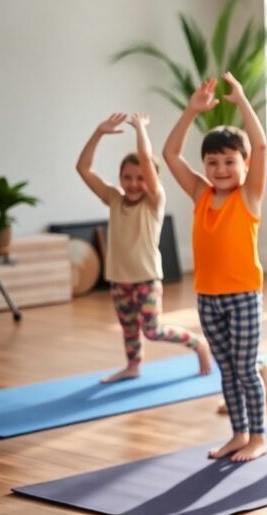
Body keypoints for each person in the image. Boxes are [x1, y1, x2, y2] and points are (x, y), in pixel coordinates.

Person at [163, 73, 267, 462]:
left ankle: (258, 436)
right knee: (226, 370)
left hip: (242, 297)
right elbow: (171, 155)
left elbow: (260, 143)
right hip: (207, 297)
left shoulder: (249, 196)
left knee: (245, 369)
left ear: (244, 165)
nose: (221, 168)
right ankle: (238, 433)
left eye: (230, 161)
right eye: (213, 162)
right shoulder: (200, 193)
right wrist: (191, 111)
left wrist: (241, 100)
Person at [76, 112, 211, 384]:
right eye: (127, 177)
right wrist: (99, 132)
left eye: (140, 178)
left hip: (147, 278)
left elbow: (146, 160)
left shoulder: (154, 201)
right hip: (118, 278)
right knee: (128, 329)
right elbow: (84, 169)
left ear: (152, 182)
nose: (133, 184)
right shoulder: (114, 197)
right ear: (120, 178)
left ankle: (198, 344)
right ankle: (133, 366)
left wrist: (139, 129)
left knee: (152, 330)